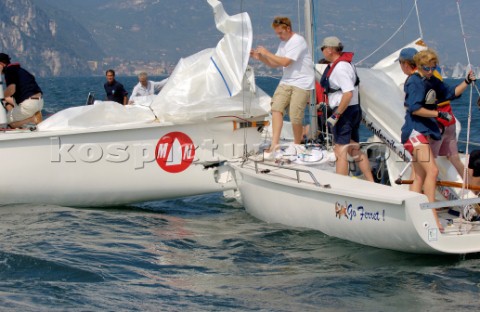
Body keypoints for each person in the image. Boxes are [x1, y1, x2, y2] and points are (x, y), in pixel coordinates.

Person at [400, 49, 475, 230]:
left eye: (433, 68)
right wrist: (438, 113)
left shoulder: (431, 80)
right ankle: (431, 215)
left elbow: (450, 93)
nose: (430, 71)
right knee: (432, 171)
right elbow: (415, 109)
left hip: (424, 133)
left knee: (419, 175)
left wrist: (466, 82)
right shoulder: (414, 82)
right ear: (418, 65)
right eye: (427, 67)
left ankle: (412, 215)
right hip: (414, 133)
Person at [250, 16, 314, 156]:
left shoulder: (298, 41)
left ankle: (297, 144)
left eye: (280, 33)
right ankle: (275, 144)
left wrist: (266, 53)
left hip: (302, 82)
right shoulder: (283, 44)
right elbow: (275, 64)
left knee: (295, 116)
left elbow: (285, 62)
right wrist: (259, 57)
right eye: (277, 33)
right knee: (276, 108)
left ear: (288, 29)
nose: (279, 36)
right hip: (287, 81)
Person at [320, 36, 374, 181]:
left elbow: (348, 93)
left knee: (340, 149)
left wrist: (336, 115)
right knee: (353, 148)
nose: (322, 51)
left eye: (323, 48)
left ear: (330, 50)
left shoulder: (340, 68)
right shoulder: (348, 64)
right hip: (354, 109)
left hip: (344, 111)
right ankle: (371, 181)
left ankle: (340, 184)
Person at [0, 52, 43, 129]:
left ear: (1, 64)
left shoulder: (9, 71)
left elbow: (11, 90)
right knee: (5, 100)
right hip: (39, 103)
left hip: (28, 105)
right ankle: (26, 120)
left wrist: (1, 95)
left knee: (6, 122)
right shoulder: (20, 70)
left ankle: (32, 119)